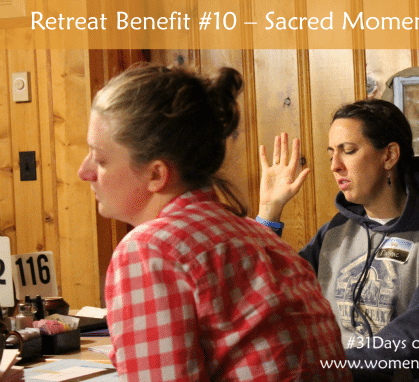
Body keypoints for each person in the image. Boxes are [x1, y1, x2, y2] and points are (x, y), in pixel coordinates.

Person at [78, 63, 351, 382]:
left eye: (100, 159)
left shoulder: (149, 250)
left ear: (156, 174)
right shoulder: (260, 238)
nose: (84, 172)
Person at [257, 99, 419, 382]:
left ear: (389, 156)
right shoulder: (335, 232)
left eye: (348, 151)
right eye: (331, 155)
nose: (335, 166)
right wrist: (269, 210)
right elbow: (272, 293)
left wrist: (332, 367)